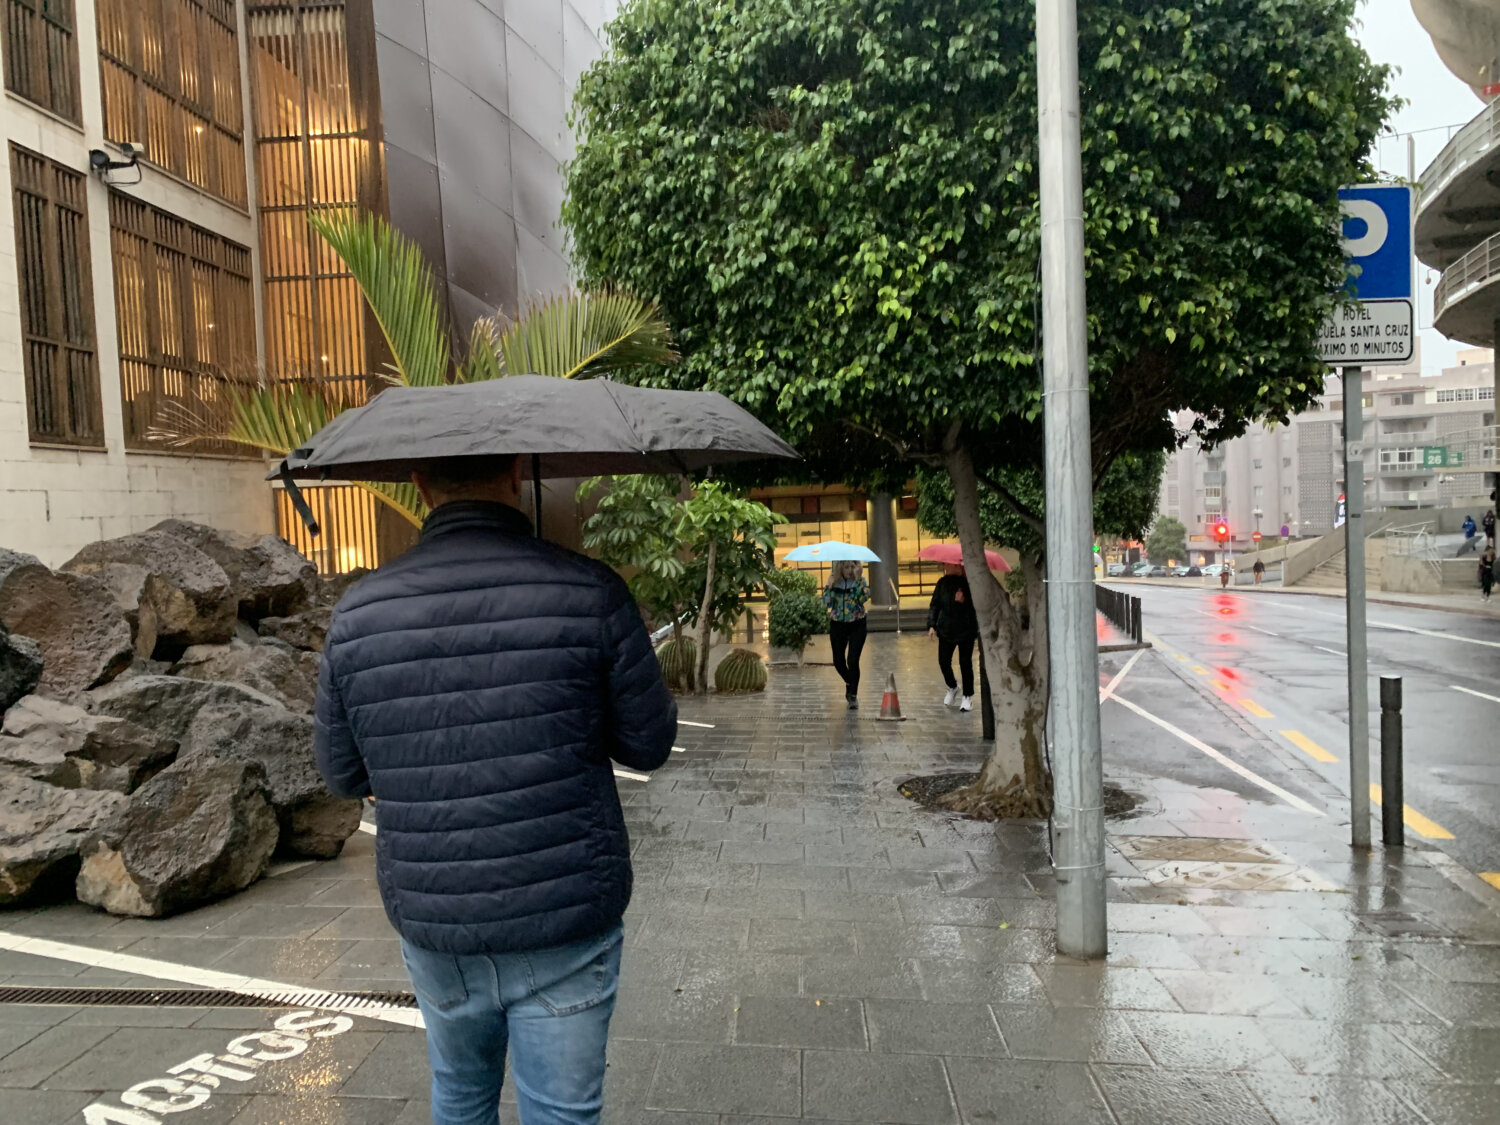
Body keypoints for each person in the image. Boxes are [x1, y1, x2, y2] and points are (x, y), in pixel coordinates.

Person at [314, 454, 676, 1125]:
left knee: (459, 1096)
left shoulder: (359, 614)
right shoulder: (590, 590)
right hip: (565, 912)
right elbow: (649, 744)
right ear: (516, 474)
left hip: (436, 914)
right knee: (563, 1114)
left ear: (420, 485)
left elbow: (342, 773)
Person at [927, 563, 978, 712]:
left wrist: (965, 600)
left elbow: (977, 605)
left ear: (958, 567)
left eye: (949, 565)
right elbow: (935, 605)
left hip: (966, 629)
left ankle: (967, 696)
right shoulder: (942, 583)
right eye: (945, 564)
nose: (946, 567)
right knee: (943, 661)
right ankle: (953, 686)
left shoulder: (968, 583)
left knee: (965, 663)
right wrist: (932, 625)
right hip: (946, 629)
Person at [822, 560, 870, 709]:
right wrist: (828, 587)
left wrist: (858, 579)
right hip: (838, 624)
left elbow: (862, 599)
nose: (849, 570)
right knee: (838, 661)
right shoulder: (833, 581)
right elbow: (826, 604)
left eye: (852, 567)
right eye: (846, 567)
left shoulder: (860, 581)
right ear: (839, 567)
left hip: (857, 624)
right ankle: (850, 681)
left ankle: (853, 695)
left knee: (853, 660)